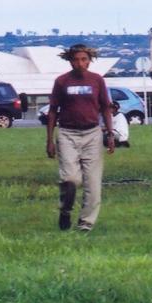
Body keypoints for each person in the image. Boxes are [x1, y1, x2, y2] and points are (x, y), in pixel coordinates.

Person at [46, 43, 114, 233]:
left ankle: (86, 223)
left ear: (90, 61)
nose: (80, 63)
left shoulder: (97, 80)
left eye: (84, 59)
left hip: (92, 134)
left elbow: (106, 108)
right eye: (76, 59)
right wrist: (50, 140)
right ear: (70, 61)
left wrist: (110, 133)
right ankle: (65, 210)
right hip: (68, 133)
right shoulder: (62, 82)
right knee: (70, 179)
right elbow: (52, 111)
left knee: (92, 183)